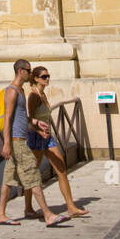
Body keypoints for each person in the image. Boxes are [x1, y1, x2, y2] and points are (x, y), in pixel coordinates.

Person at [0, 58, 65, 227]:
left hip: (18, 140)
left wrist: (35, 123)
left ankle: (1, 215)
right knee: (33, 174)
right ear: (20, 71)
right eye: (28, 70)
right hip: (16, 142)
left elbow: (21, 117)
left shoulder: (20, 91)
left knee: (8, 179)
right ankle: (48, 215)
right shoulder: (11, 91)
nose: (30, 72)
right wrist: (6, 144)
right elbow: (8, 118)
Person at [26, 65, 89, 219]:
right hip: (37, 137)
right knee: (32, 173)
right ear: (35, 79)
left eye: (48, 76)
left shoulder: (43, 95)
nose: (47, 79)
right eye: (43, 77)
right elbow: (29, 120)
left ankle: (71, 206)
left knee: (61, 168)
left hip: (47, 137)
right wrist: (39, 130)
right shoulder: (33, 97)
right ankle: (28, 208)